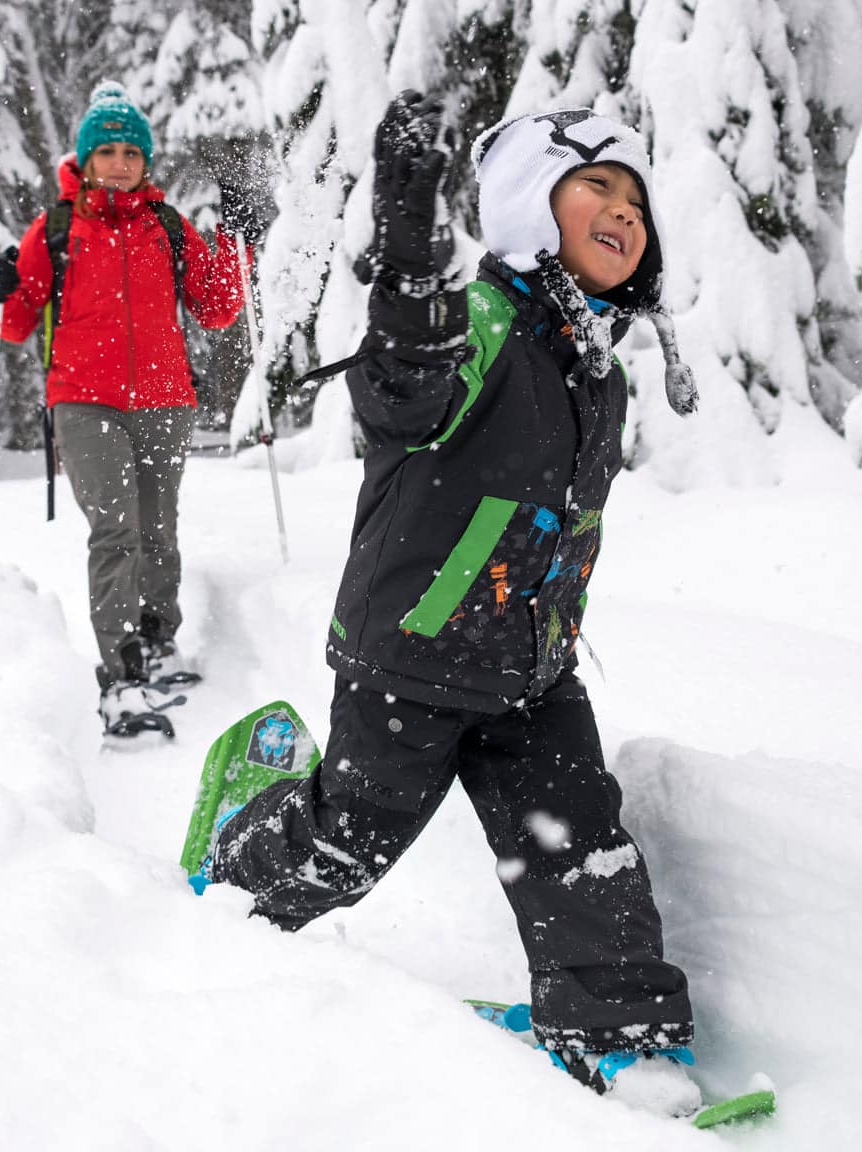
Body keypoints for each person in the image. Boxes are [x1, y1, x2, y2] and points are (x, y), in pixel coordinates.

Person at [197, 94, 704, 1116]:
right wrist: (415, 282)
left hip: (532, 669)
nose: (622, 212)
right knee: (349, 840)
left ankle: (618, 1036)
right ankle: (231, 883)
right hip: (413, 659)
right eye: (594, 186)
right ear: (528, 205)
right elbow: (402, 391)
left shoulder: (594, 367)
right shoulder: (477, 316)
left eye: (636, 200)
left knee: (580, 845)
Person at [0, 81, 259, 737]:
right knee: (116, 531)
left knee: (158, 530)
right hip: (83, 401)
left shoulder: (168, 226)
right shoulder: (55, 228)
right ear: (85, 158)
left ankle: (160, 640)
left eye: (132, 151)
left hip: (164, 399)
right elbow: (16, 321)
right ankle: (122, 674)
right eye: (107, 150)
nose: (121, 162)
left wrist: (237, 245)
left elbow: (216, 308)